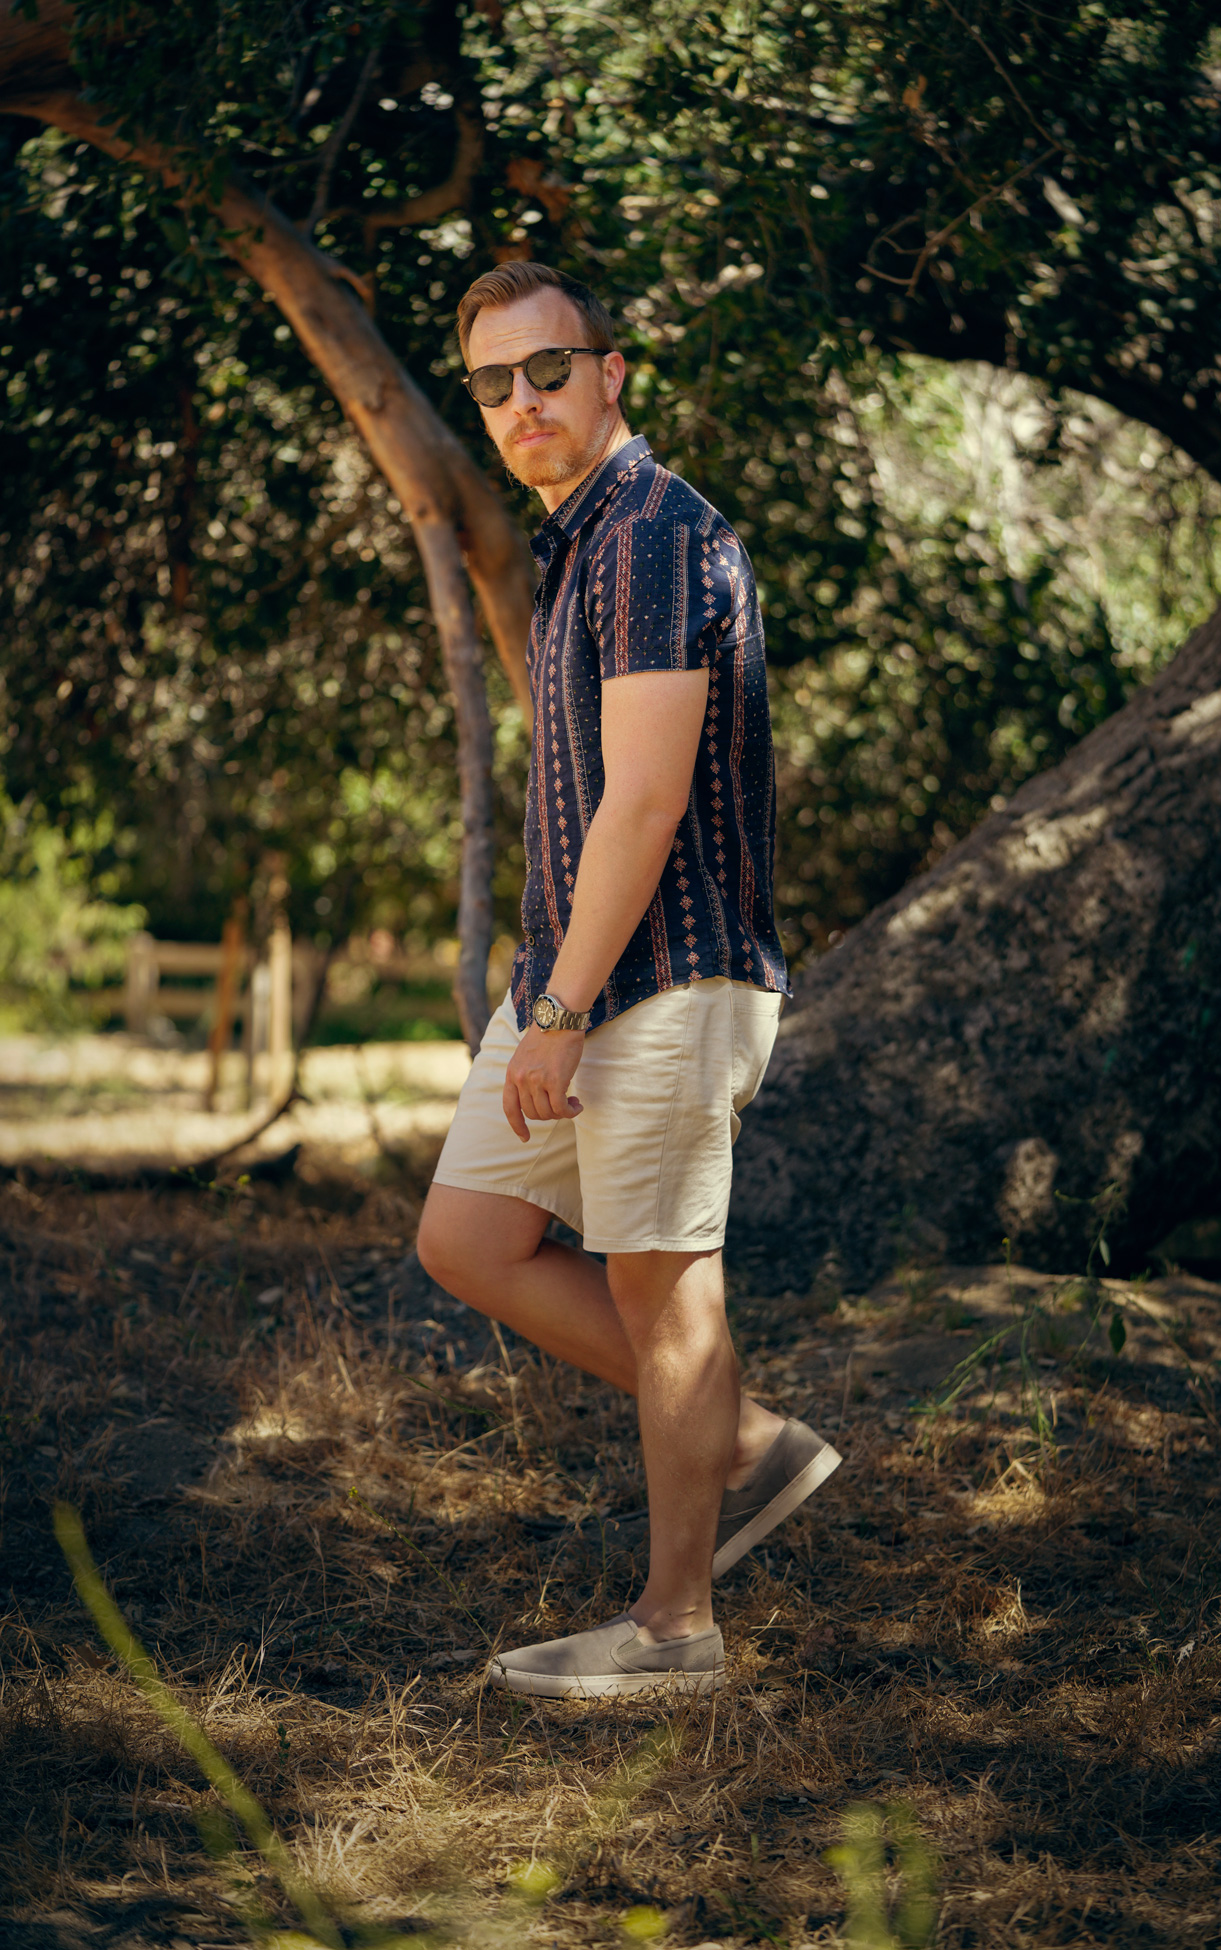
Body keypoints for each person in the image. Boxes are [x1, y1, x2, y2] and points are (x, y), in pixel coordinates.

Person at [416, 261, 840, 1700]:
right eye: (492, 384)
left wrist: (559, 1006)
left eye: (549, 372)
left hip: (661, 980)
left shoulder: (655, 532)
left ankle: (675, 1630)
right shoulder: (580, 545)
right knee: (468, 1236)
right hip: (589, 975)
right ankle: (740, 1439)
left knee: (668, 1298)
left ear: (613, 375)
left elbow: (647, 804)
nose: (522, 403)